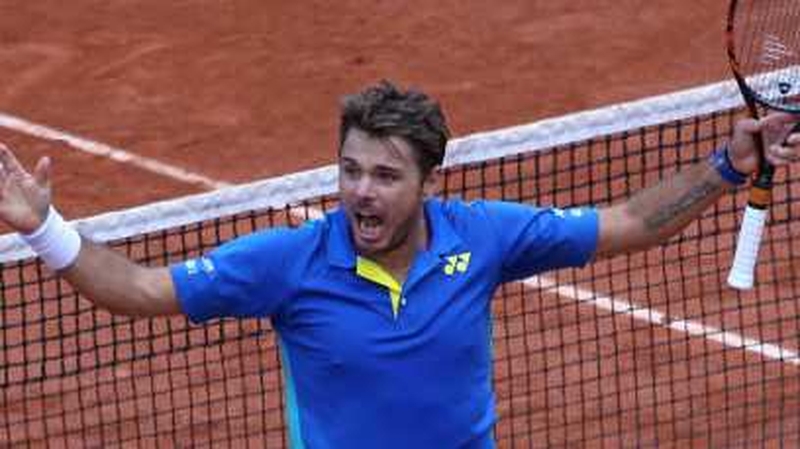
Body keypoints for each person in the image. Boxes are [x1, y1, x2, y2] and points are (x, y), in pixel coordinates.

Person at [0, 80, 798, 448]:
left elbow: (628, 222)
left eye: (384, 175)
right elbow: (141, 289)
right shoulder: (290, 261)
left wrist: (726, 167)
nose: (360, 191)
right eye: (349, 170)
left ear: (426, 182)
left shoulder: (483, 236)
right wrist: (44, 230)